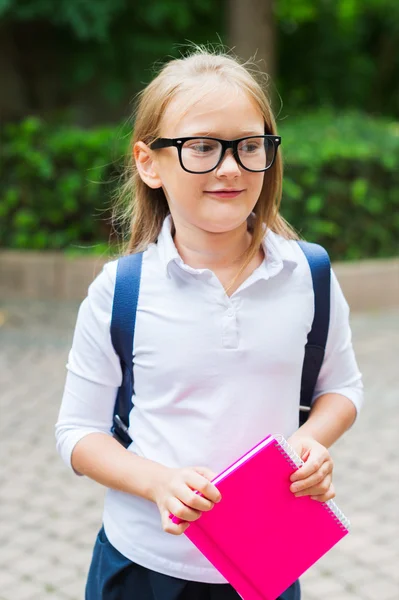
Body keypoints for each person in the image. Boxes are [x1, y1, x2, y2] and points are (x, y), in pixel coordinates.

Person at [55, 47, 363, 600]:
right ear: (149, 163)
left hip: (265, 561)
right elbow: (77, 433)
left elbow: (341, 387)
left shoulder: (308, 273)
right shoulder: (120, 291)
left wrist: (308, 445)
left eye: (249, 146)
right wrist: (159, 483)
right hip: (142, 565)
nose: (230, 167)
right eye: (201, 147)